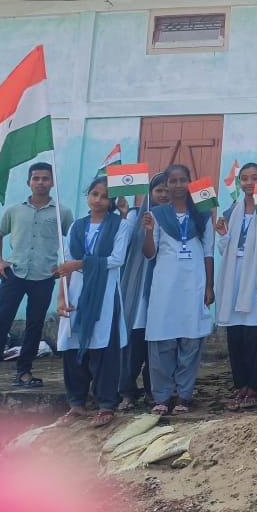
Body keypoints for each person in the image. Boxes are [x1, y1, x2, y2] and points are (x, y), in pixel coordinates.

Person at [0, 163, 74, 399]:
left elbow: (72, 241)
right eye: (36, 178)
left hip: (44, 276)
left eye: (45, 178)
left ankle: (24, 372)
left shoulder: (62, 212)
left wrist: (65, 266)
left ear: (52, 182)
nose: (40, 182)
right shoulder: (14, 210)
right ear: (28, 182)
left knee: (34, 325)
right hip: (14, 274)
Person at [54, 176, 133, 427]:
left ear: (112, 201)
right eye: (94, 194)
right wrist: (61, 297)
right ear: (88, 195)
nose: (98, 200)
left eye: (105, 196)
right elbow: (65, 266)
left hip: (105, 293)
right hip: (76, 292)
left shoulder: (120, 225)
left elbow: (117, 259)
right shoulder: (76, 227)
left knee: (104, 348)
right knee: (72, 346)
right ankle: (76, 404)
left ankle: (106, 404)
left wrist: (80, 263)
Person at [140, 164, 215, 415]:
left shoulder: (202, 214)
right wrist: (148, 232)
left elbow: (208, 252)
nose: (178, 185)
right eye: (173, 181)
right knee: (162, 339)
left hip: (194, 283)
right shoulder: (157, 214)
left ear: (190, 183)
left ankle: (184, 395)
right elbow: (149, 254)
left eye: (183, 180)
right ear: (167, 185)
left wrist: (209, 286)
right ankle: (162, 396)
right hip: (165, 286)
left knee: (191, 340)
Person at [213, 163, 257, 411]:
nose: (249, 183)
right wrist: (223, 235)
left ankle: (254, 386)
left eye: (255, 178)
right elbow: (225, 250)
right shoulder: (231, 212)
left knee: (256, 336)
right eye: (245, 178)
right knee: (236, 335)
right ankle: (240, 384)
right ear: (240, 183)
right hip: (233, 280)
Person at [117, 171, 168, 409]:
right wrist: (123, 215)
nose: (163, 195)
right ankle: (127, 392)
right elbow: (124, 241)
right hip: (138, 291)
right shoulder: (135, 215)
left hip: (163, 289)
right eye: (159, 191)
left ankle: (152, 390)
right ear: (150, 193)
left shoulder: (174, 218)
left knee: (157, 346)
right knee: (134, 344)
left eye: (167, 191)